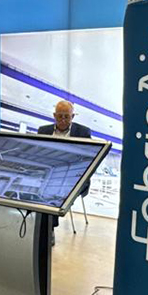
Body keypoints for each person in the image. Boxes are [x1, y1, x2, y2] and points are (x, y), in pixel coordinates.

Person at [36, 101, 94, 243]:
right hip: (50, 174)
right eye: (60, 116)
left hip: (74, 177)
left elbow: (90, 159)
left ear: (72, 116)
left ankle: (49, 229)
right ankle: (43, 229)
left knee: (52, 193)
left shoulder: (83, 132)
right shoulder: (43, 131)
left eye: (66, 117)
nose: (63, 120)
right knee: (40, 190)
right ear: (54, 116)